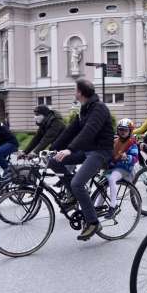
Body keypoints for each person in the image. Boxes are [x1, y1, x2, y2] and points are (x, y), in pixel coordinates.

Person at [48, 79, 114, 241]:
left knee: (77, 183)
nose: (74, 92)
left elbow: (89, 132)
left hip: (100, 152)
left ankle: (93, 222)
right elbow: (70, 131)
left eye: (75, 90)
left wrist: (70, 149)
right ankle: (73, 195)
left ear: (80, 92)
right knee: (54, 161)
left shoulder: (99, 108)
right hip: (86, 151)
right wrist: (52, 149)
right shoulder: (84, 109)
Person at [97, 119, 139, 218]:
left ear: (130, 131)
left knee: (112, 179)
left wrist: (127, 157)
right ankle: (97, 206)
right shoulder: (115, 141)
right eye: (120, 130)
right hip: (114, 167)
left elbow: (135, 158)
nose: (122, 132)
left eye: (125, 130)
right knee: (102, 185)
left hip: (125, 168)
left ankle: (113, 206)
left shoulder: (132, 143)